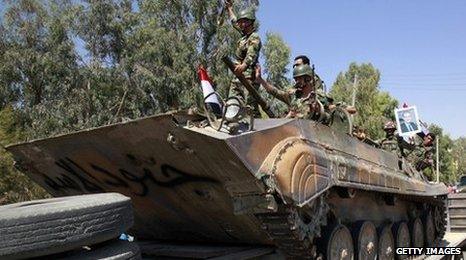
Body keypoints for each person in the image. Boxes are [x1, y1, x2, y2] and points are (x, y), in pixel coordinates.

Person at [255, 63, 333, 119]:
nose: (297, 81)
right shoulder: (293, 95)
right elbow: (276, 92)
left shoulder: (320, 96)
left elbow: (332, 115)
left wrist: (319, 111)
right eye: (296, 79)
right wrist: (260, 80)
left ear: (308, 78)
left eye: (299, 78)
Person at [225, 2, 262, 117]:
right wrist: (229, 8)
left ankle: (260, 131)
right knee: (232, 103)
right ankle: (232, 124)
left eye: (243, 22)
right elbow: (233, 21)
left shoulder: (254, 37)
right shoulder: (243, 36)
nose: (240, 24)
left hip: (248, 78)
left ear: (250, 22)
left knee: (251, 109)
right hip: (238, 77)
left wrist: (243, 66)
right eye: (240, 22)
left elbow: (251, 55)